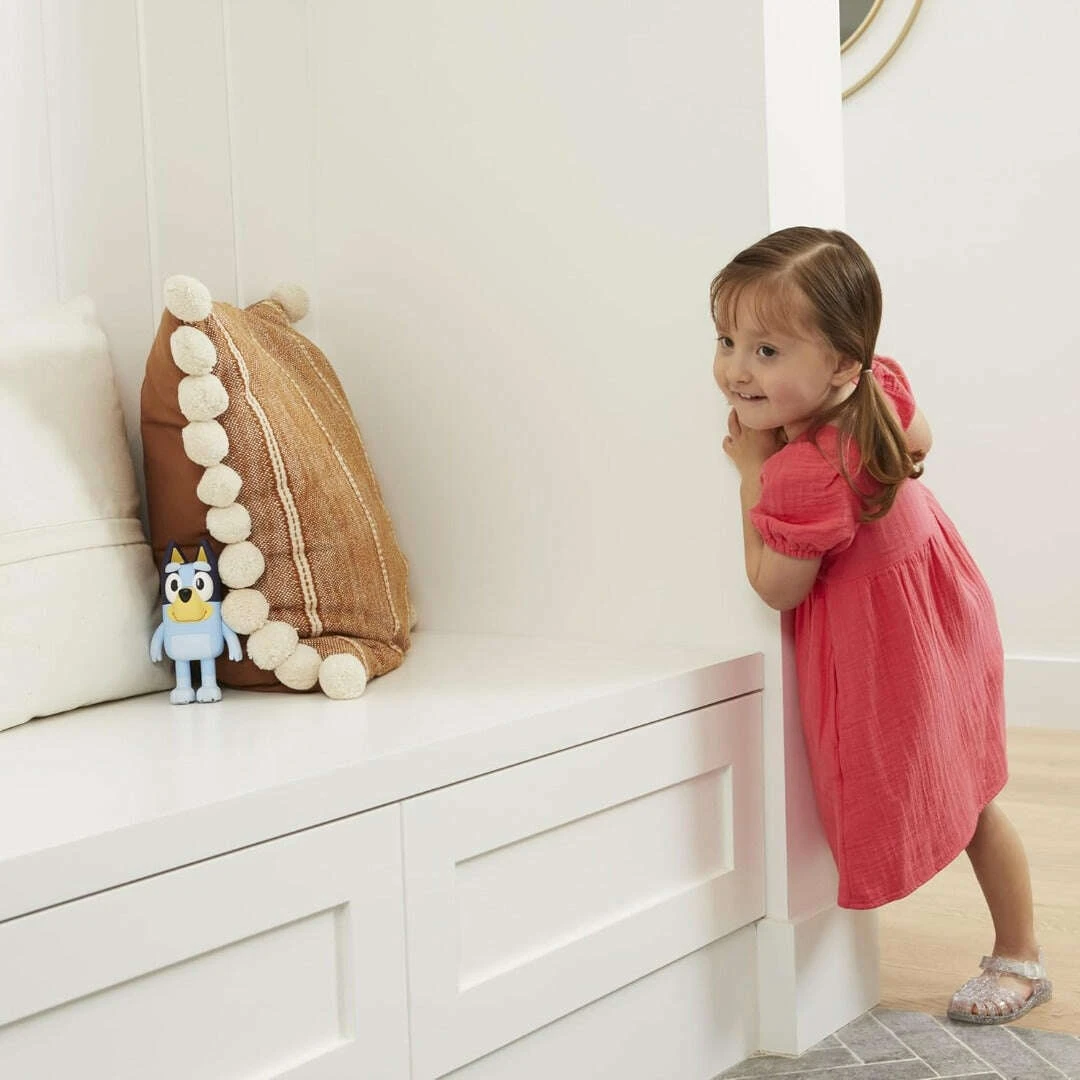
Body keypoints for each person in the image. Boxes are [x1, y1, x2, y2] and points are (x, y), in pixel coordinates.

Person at [712, 226, 1052, 1025]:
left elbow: (777, 587)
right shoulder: (878, 391)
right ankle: (1020, 948)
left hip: (893, 643)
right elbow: (920, 435)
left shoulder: (803, 475)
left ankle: (1021, 956)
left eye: (767, 351)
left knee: (964, 799)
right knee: (973, 792)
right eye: (727, 341)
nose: (736, 369)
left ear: (841, 363)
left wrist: (754, 475)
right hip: (942, 612)